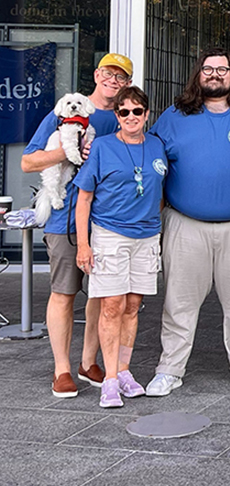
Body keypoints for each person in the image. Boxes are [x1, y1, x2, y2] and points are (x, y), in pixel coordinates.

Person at [146, 48, 230, 396]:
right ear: (198, 75)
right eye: (208, 69)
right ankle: (170, 369)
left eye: (222, 69)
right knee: (178, 302)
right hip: (186, 225)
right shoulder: (174, 117)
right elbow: (149, 162)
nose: (215, 74)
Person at [22, 53, 128, 398]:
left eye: (121, 77)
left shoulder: (126, 117)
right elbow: (27, 162)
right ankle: (61, 371)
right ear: (97, 75)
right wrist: (68, 153)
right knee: (64, 292)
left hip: (108, 220)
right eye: (109, 74)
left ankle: (88, 362)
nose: (114, 81)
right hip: (65, 217)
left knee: (101, 294)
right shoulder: (67, 111)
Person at [74, 86, 165, 407]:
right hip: (110, 235)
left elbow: (161, 192)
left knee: (131, 305)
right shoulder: (101, 147)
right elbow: (84, 199)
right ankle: (109, 379)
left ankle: (124, 371)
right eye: (123, 111)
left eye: (136, 111)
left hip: (147, 236)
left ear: (146, 115)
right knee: (111, 305)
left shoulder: (157, 146)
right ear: (116, 116)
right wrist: (83, 245)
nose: (130, 117)